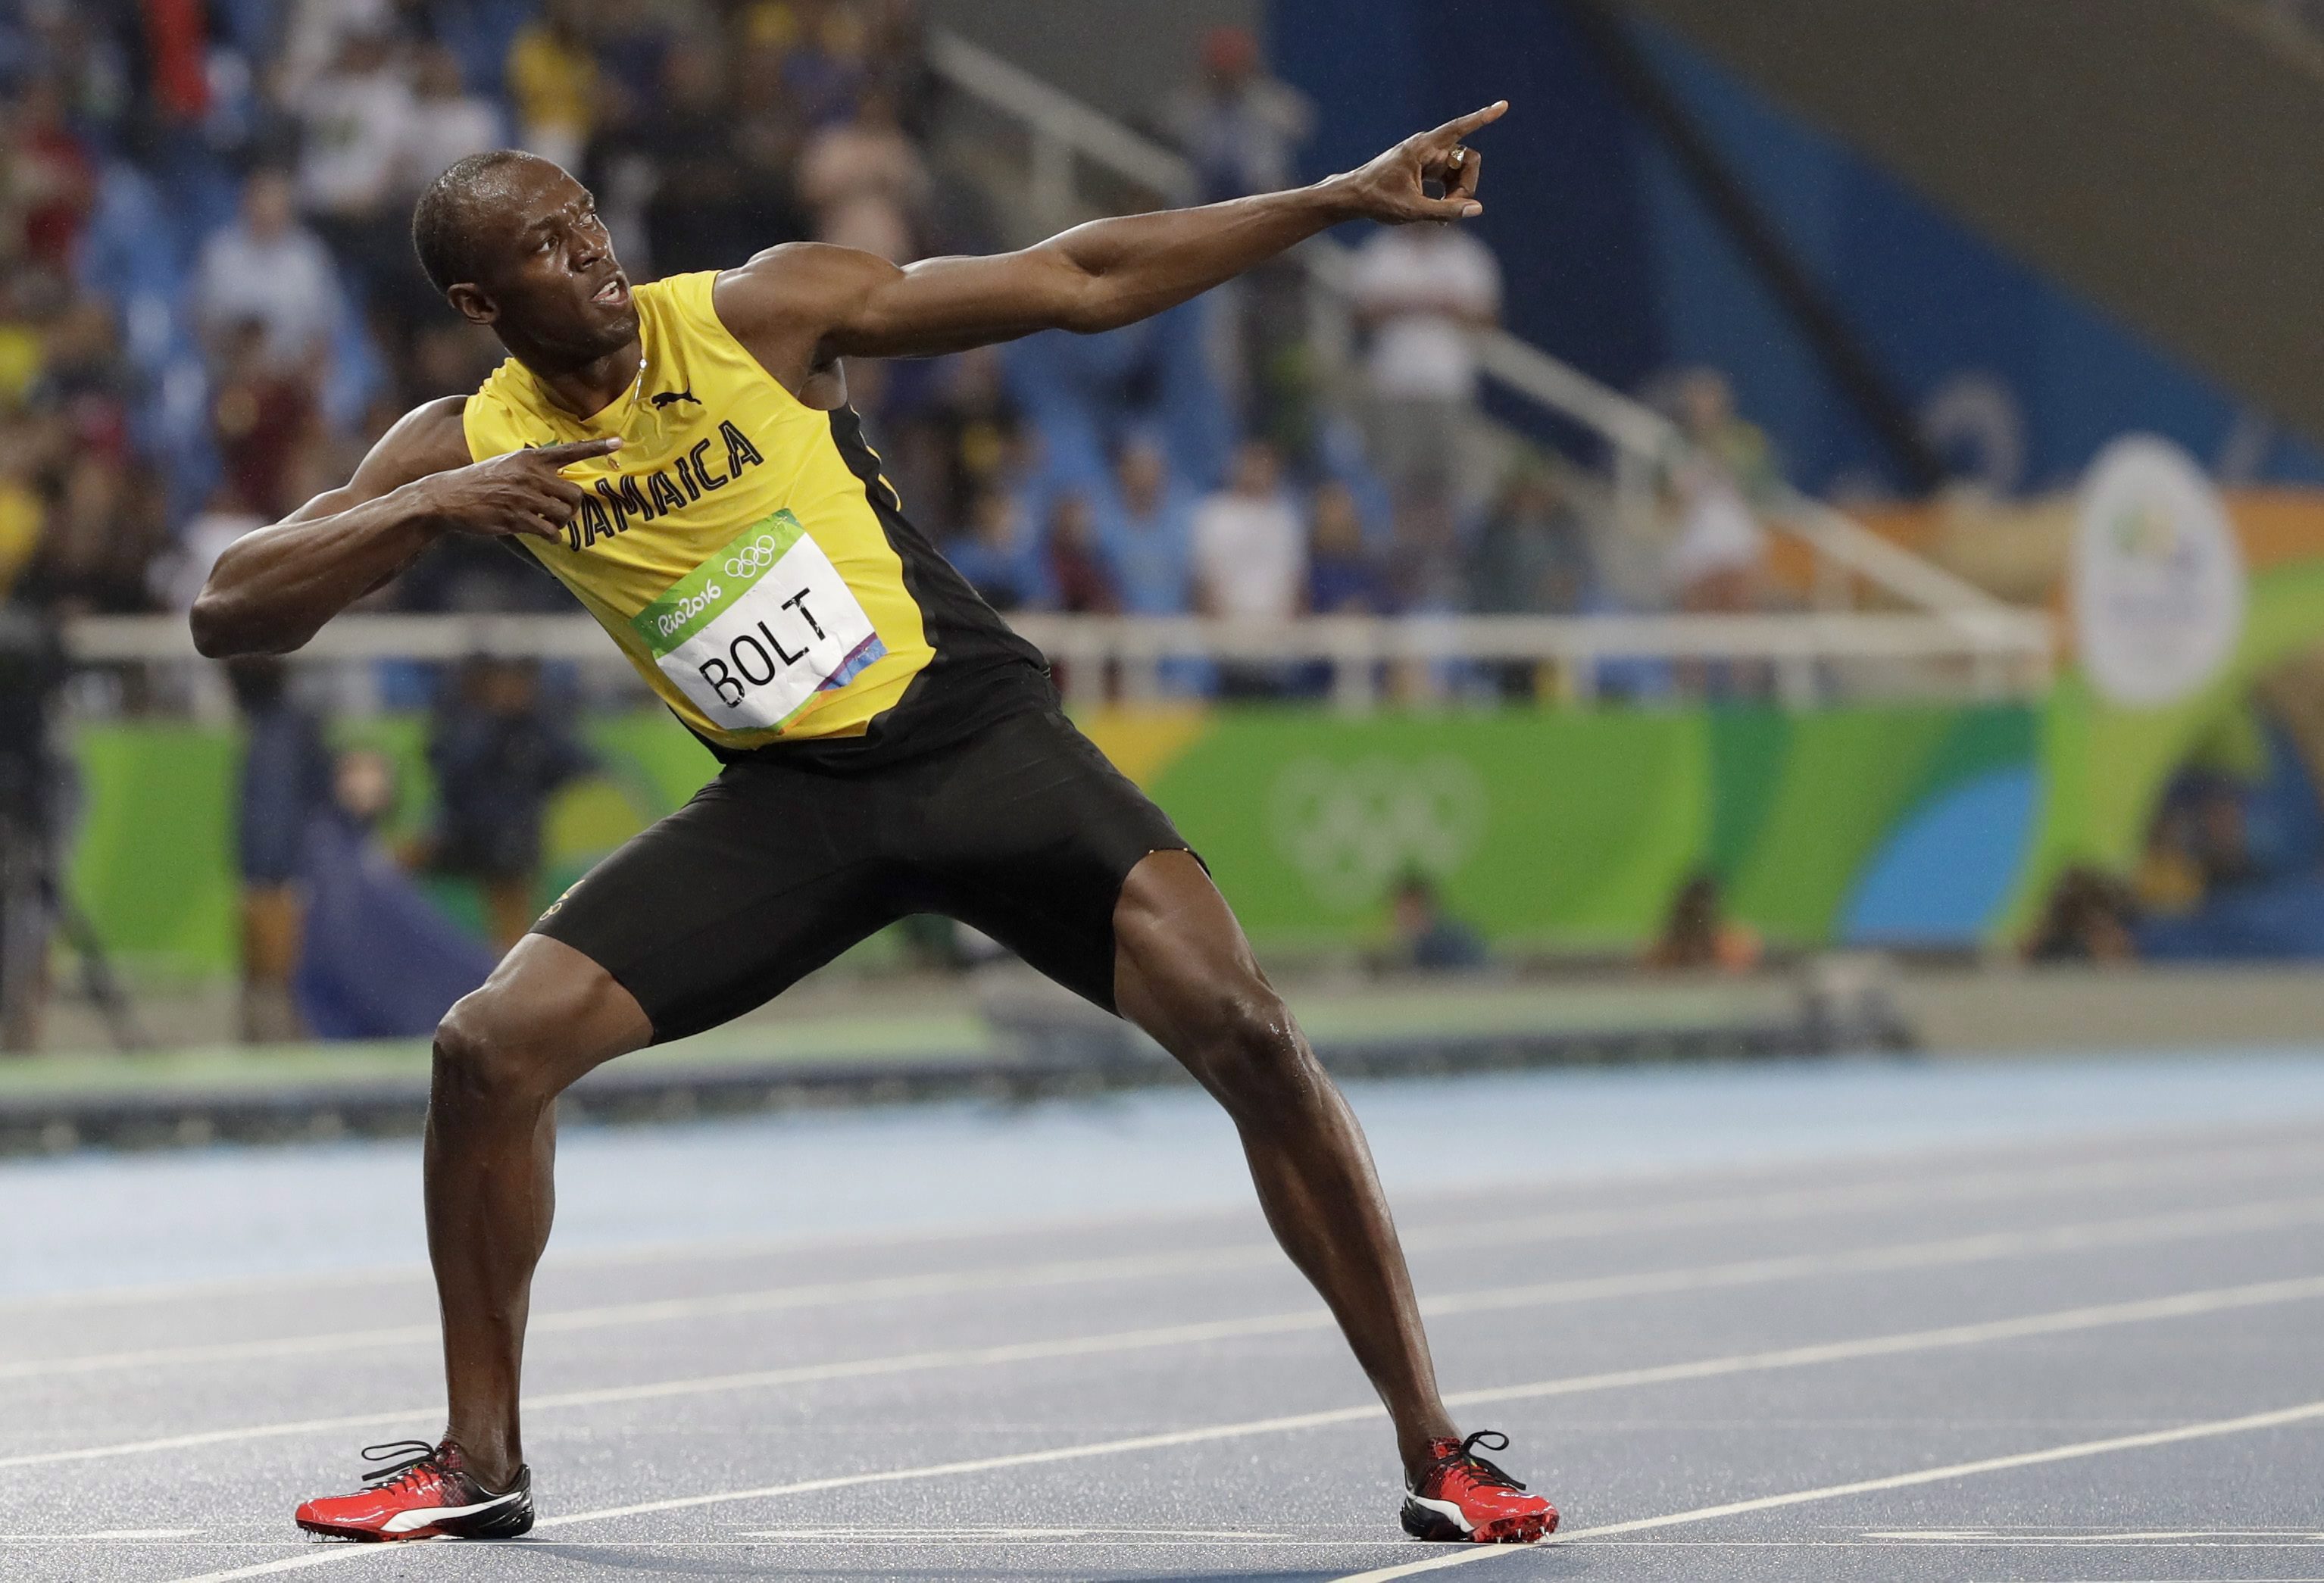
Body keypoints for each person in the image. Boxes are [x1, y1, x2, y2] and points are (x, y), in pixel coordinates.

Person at [192, 104, 1555, 1549]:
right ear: (479, 302)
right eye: (543, 243)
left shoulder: (759, 312)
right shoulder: (463, 443)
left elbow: (1076, 278)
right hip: (786, 809)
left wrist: (1333, 197)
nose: (588, 248)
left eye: (584, 214)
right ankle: (479, 1463)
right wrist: (442, 503)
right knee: (484, 1051)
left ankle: (1436, 1450)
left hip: (974, 746)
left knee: (1251, 1035)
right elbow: (232, 612)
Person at [1346, 220, 1501, 498]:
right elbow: (1358, 315)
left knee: (1447, 482)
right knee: (1395, 477)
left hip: (1447, 383)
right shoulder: (1383, 251)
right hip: (1394, 382)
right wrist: (1403, 304)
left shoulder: (1465, 255)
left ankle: (1442, 540)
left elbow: (1488, 319)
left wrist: (1450, 308)